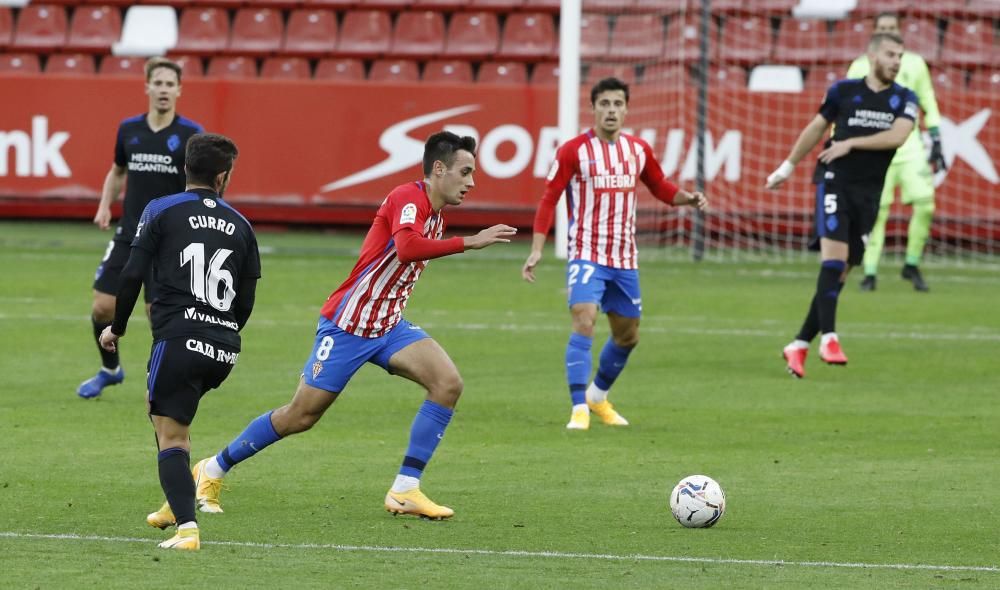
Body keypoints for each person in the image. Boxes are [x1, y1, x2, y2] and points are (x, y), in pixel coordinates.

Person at [146, 131, 515, 525]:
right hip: (348, 325)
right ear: (438, 169)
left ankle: (405, 488)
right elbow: (407, 247)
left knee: (447, 384)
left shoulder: (436, 212)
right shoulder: (408, 198)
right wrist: (470, 242)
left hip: (388, 325)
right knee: (300, 416)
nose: (472, 182)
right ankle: (213, 468)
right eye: (466, 171)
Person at [99, 133, 260, 551]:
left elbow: (132, 273)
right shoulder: (242, 225)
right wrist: (223, 333)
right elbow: (246, 301)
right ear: (222, 176)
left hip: (179, 338)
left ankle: (186, 529)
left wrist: (117, 327)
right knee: (176, 422)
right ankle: (175, 502)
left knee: (170, 435)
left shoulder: (160, 208)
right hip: (224, 348)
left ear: (184, 167)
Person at [521, 77, 708, 430]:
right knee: (584, 317)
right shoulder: (573, 150)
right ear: (592, 109)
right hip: (587, 252)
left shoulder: (637, 150)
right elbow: (549, 198)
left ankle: (597, 396)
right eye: (604, 104)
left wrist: (689, 198)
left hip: (624, 258)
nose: (611, 110)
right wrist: (536, 248)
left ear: (626, 109)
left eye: (617, 104)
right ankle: (578, 407)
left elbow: (661, 187)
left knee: (627, 336)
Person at [766, 33, 917, 379]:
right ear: (872, 55)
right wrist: (787, 167)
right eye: (891, 54)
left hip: (869, 194)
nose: (896, 61)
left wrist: (850, 144)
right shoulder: (843, 91)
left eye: (900, 56)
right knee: (832, 262)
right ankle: (829, 338)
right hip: (834, 182)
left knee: (842, 272)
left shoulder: (905, 98)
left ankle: (800, 343)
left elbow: (898, 136)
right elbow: (816, 128)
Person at [78, 57, 205, 399]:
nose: (163, 89)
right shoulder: (129, 129)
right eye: (158, 83)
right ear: (147, 86)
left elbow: (203, 187)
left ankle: (164, 384)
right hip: (130, 234)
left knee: (157, 316)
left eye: (169, 84)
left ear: (179, 90)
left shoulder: (192, 135)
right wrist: (105, 205)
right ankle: (111, 369)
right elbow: (118, 170)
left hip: (169, 241)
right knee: (103, 306)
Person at [846, 12, 946, 292]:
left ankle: (911, 263)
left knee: (926, 203)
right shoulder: (858, 66)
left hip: (909, 143)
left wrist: (936, 137)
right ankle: (870, 270)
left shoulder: (914, 64)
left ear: (900, 31)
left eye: (892, 28)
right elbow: (844, 107)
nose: (888, 32)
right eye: (882, 29)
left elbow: (927, 98)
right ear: (874, 34)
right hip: (874, 146)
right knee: (877, 210)